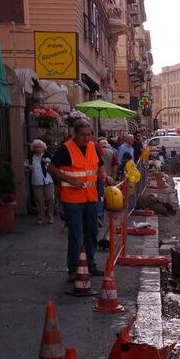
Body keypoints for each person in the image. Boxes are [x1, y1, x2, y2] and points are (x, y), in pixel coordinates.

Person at [48, 119, 106, 282]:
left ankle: (91, 264)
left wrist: (104, 176)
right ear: (75, 134)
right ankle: (73, 269)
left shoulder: (93, 147)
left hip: (91, 197)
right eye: (83, 135)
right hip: (72, 199)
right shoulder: (65, 149)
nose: (86, 138)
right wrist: (69, 179)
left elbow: (99, 165)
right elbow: (51, 168)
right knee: (76, 235)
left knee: (92, 232)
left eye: (89, 135)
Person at [27, 139, 55, 225]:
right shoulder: (31, 156)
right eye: (36, 147)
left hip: (48, 180)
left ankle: (50, 216)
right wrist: (28, 166)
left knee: (50, 198)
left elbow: (54, 163)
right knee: (39, 200)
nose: (38, 149)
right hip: (36, 181)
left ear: (43, 148)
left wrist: (47, 161)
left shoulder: (47, 155)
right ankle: (41, 217)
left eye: (40, 147)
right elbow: (24, 163)